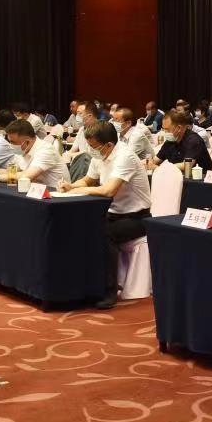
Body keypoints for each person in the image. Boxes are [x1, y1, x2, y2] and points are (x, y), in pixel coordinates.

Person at [58, 122, 152, 309]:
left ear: (109, 145)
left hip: (137, 218)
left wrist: (80, 190)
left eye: (94, 147)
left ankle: (108, 291)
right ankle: (84, 285)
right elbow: (88, 180)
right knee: (82, 226)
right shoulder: (99, 154)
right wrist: (71, 186)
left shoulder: (125, 156)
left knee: (104, 233)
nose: (91, 151)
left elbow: (109, 190)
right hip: (112, 213)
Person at [5, 119, 68, 187]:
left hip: (56, 191)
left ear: (27, 142)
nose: (11, 145)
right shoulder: (22, 151)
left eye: (13, 142)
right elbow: (11, 171)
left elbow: (26, 177)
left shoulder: (46, 150)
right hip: (35, 190)